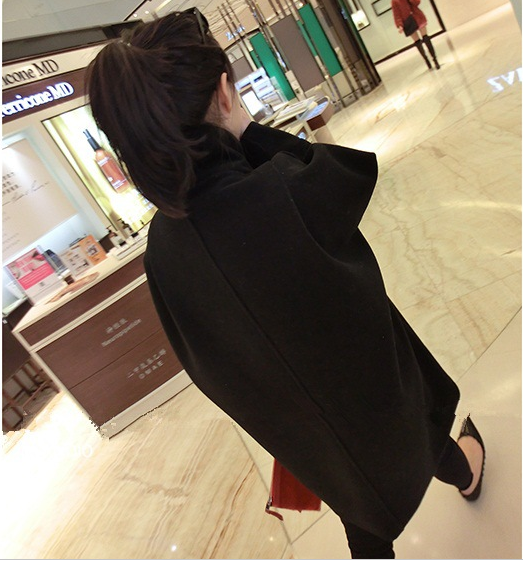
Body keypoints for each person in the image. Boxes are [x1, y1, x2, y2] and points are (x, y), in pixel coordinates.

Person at [86, 11, 485, 558]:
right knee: (418, 429)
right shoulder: (280, 191)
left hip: (301, 425)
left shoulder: (163, 249)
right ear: (224, 92)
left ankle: (444, 476)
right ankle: (465, 473)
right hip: (372, 392)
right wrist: (247, 130)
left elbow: (207, 363)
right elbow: (346, 173)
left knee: (357, 500)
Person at [391, 0, 440, 70]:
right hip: (408, 22)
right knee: (417, 42)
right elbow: (396, 15)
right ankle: (426, 59)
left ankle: (435, 59)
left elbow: (417, 2)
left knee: (426, 38)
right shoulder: (394, 1)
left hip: (417, 16)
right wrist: (400, 25)